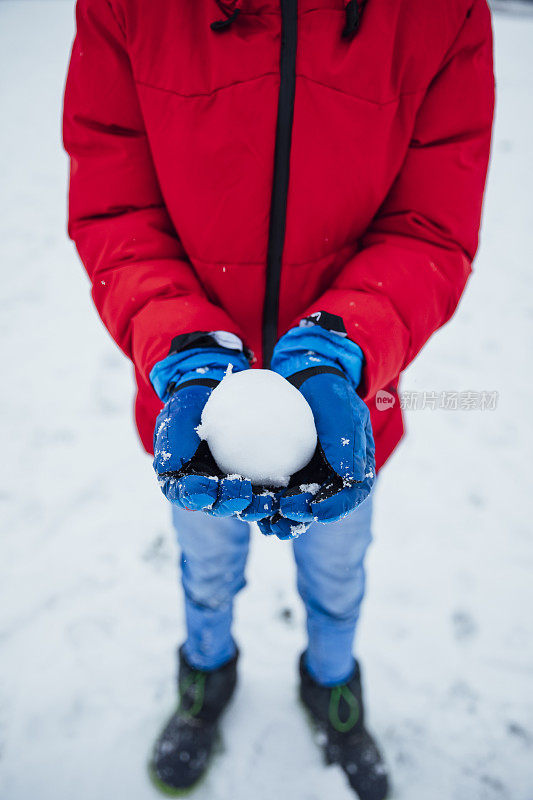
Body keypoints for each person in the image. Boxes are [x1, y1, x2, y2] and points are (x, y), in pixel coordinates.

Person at [63, 0, 494, 797]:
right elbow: (114, 207)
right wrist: (181, 347)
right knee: (205, 565)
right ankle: (206, 672)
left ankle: (331, 682)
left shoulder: (441, 11)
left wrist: (348, 344)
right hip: (191, 407)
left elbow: (432, 224)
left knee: (336, 571)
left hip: (345, 409)